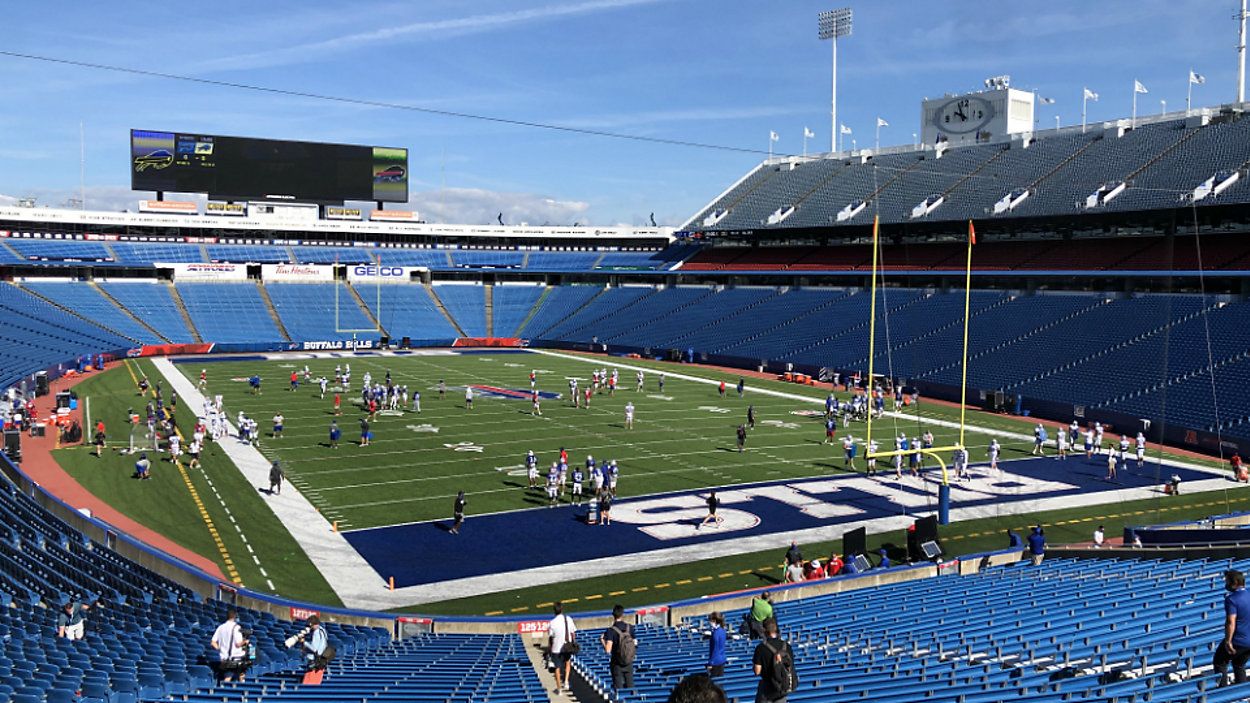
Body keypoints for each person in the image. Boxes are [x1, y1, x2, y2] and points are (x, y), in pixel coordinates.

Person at [1215, 569, 1250, 686]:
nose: (1226, 584)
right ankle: (1241, 694)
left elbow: (1231, 621)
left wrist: (1228, 641)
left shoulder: (1232, 599)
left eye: (1227, 581)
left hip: (1238, 639)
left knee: (1220, 662)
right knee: (1239, 664)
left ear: (1234, 582)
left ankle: (1222, 692)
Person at [752, 617, 794, 703]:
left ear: (764, 630)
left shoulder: (761, 648)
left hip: (767, 688)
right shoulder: (787, 646)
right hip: (782, 687)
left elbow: (757, 671)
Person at [601, 604, 636, 690]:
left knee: (619, 689)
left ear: (613, 615)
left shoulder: (611, 630)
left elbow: (608, 650)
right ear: (622, 614)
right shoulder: (630, 628)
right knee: (630, 687)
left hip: (617, 663)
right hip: (628, 661)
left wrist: (602, 640)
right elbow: (635, 643)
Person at [548, 602, 577, 694]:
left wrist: (550, 649)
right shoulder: (568, 619)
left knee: (557, 667)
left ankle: (559, 688)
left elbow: (551, 636)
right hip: (566, 646)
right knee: (568, 663)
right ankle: (566, 681)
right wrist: (573, 643)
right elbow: (573, 632)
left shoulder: (552, 623)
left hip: (556, 648)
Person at [211, 608, 246, 683]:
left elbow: (213, 642)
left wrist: (220, 649)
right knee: (231, 675)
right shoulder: (237, 628)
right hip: (234, 658)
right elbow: (238, 644)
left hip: (223, 658)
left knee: (236, 673)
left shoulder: (221, 627)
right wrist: (245, 641)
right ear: (235, 617)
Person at [706, 612, 728, 678]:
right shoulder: (722, 630)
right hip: (722, 659)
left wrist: (710, 663)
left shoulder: (716, 633)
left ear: (714, 621)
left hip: (716, 662)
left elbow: (715, 649)